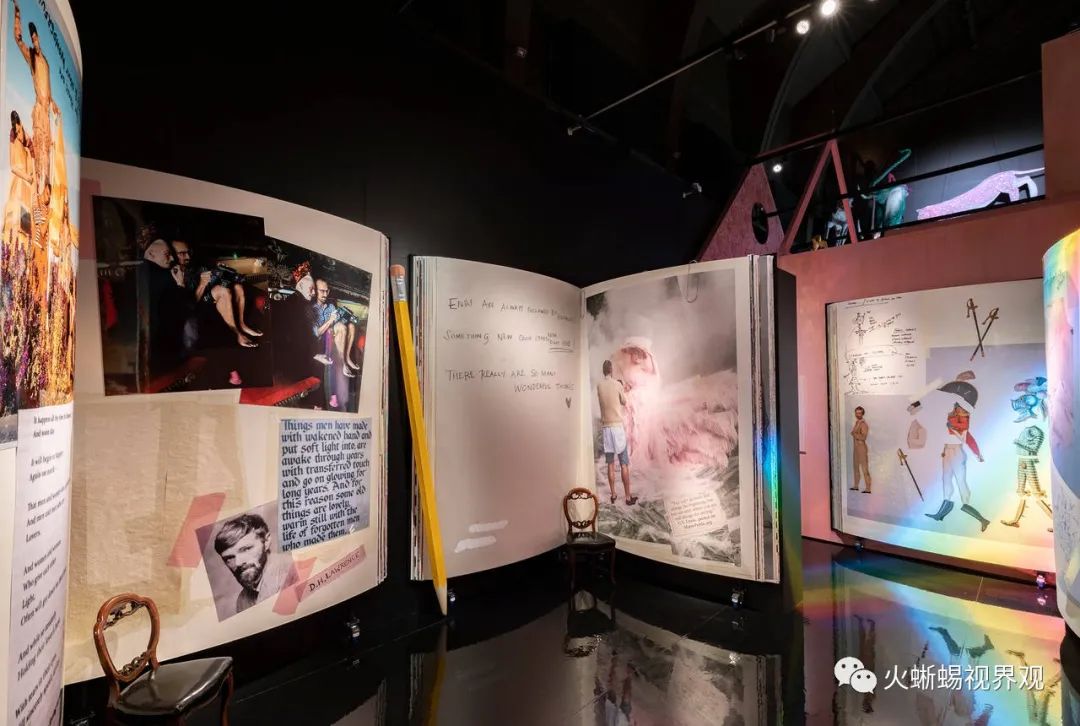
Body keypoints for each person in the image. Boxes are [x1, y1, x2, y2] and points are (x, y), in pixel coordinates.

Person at [212, 513, 297, 616]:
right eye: (229, 558)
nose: (238, 562)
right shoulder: (242, 601)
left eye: (246, 549)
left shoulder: (293, 571)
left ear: (266, 541)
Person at [12, 1, 56, 198]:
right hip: (39, 114)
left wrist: (54, 103)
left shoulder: (45, 62)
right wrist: (17, 16)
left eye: (36, 37)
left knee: (48, 155)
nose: (35, 40)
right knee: (40, 155)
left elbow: (48, 88)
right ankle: (38, 196)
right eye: (33, 38)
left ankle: (45, 196)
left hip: (46, 114)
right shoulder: (32, 59)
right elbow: (17, 39)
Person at [183, 242, 262, 348]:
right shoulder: (182, 274)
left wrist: (222, 271)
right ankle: (238, 334)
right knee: (221, 290)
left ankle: (242, 324)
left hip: (209, 291)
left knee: (238, 286)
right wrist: (202, 284)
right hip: (199, 302)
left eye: (188, 253)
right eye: (183, 253)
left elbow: (214, 274)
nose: (187, 256)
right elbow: (192, 304)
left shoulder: (198, 264)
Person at [926, 403, 990, 530]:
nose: (956, 409)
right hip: (947, 452)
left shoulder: (962, 424)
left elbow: (967, 439)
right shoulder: (950, 421)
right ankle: (940, 514)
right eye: (956, 407)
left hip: (957, 453)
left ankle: (981, 518)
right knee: (946, 480)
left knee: (961, 481)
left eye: (959, 407)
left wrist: (978, 455)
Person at [597, 359, 636, 505]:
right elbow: (624, 401)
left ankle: (613, 495)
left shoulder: (599, 386)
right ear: (611, 370)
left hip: (606, 429)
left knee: (610, 464)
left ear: (603, 371)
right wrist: (622, 387)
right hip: (617, 428)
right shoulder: (617, 384)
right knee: (624, 463)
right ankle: (628, 497)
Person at [313, 278, 361, 376]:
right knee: (341, 327)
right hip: (321, 339)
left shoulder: (331, 306)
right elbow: (317, 333)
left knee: (351, 325)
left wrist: (345, 315)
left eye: (327, 291)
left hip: (333, 333)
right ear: (315, 290)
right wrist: (330, 320)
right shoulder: (312, 309)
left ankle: (347, 357)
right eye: (322, 291)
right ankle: (343, 364)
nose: (325, 294)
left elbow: (338, 321)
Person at [850, 406, 871, 493]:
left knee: (864, 468)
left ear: (862, 414)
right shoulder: (857, 423)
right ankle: (856, 486)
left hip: (862, 448)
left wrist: (854, 434)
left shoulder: (863, 424)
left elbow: (863, 437)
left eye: (859, 413)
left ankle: (868, 488)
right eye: (856, 413)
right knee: (856, 468)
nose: (857, 414)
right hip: (856, 448)